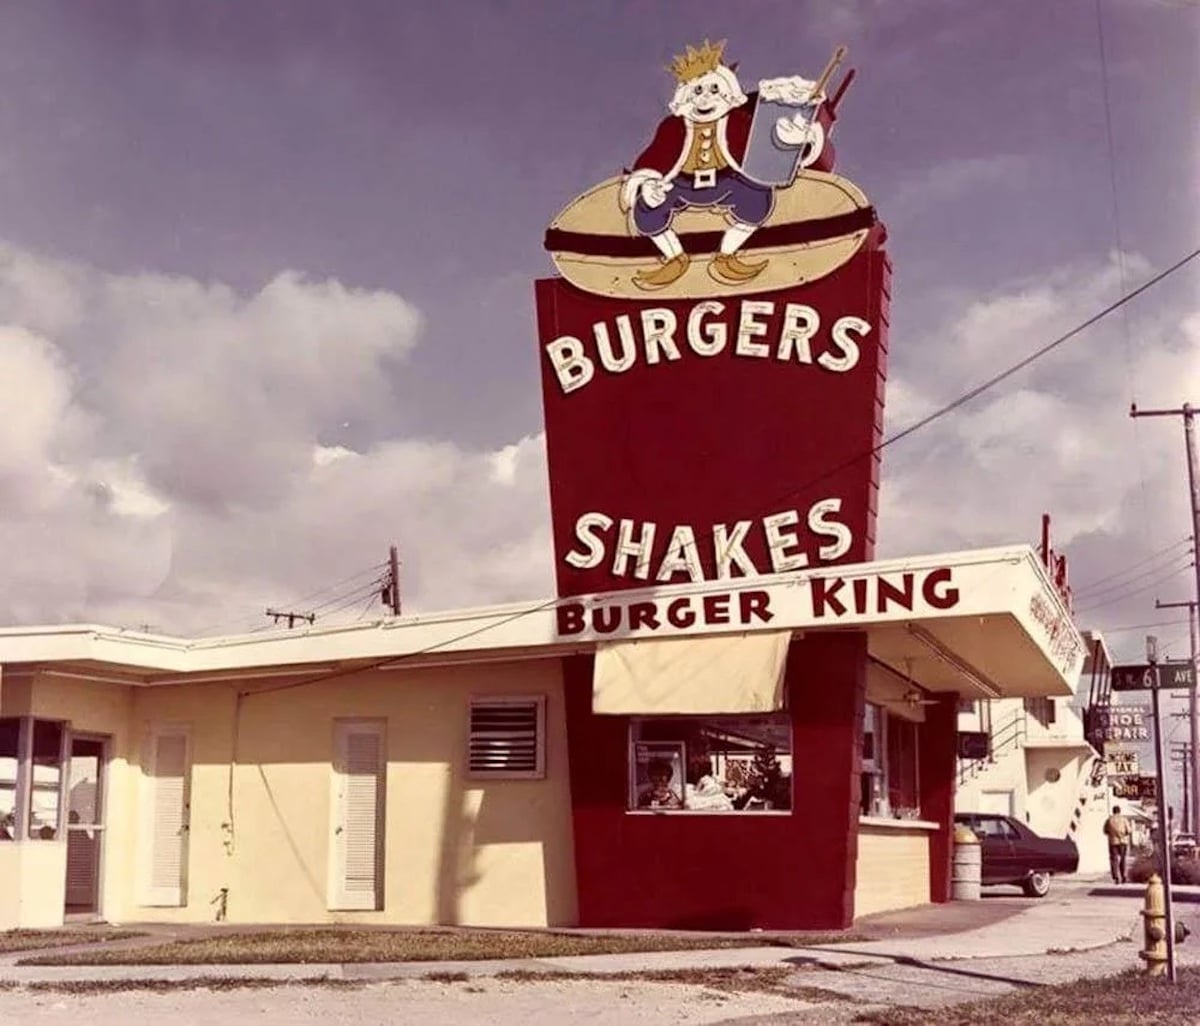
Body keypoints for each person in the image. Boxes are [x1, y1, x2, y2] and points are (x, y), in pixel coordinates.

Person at [620, 39, 826, 290]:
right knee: (646, 211)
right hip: (682, 184)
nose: (705, 98)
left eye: (714, 89)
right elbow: (655, 156)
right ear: (684, 96)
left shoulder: (739, 123)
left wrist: (794, 138)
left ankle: (726, 255)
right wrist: (648, 183)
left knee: (758, 198)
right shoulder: (673, 128)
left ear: (729, 93)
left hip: (729, 180)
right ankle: (674, 258)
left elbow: (769, 149)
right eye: (697, 91)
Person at [1103, 804, 1131, 884]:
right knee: (1123, 859)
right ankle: (1123, 876)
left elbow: (1105, 830)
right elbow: (1128, 830)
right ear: (1119, 811)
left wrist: (1112, 834)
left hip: (1113, 842)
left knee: (1114, 859)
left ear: (1113, 811)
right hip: (1123, 841)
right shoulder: (1124, 819)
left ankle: (1116, 877)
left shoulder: (1109, 820)